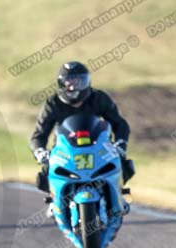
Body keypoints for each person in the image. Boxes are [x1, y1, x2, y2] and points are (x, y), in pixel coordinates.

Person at [30, 61, 134, 196]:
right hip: (65, 151)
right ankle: (56, 198)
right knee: (44, 175)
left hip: (98, 147)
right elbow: (39, 134)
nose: (72, 86)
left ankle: (116, 195)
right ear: (61, 84)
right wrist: (40, 152)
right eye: (68, 82)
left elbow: (119, 123)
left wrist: (120, 143)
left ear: (86, 82)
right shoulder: (53, 102)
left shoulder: (98, 97)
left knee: (123, 164)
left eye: (77, 81)